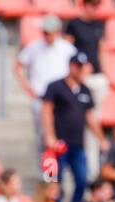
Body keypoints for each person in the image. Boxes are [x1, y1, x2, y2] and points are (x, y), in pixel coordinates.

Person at [41, 53, 100, 202]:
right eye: (78, 66)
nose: (81, 70)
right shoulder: (56, 87)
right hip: (58, 144)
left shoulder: (85, 90)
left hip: (77, 144)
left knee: (82, 180)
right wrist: (50, 135)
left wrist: (101, 138)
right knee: (53, 180)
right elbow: (46, 111)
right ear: (71, 66)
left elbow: (90, 117)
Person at [15, 16, 76, 157]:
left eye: (50, 32)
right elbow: (18, 65)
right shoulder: (34, 46)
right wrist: (26, 86)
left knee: (62, 136)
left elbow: (77, 69)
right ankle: (46, 174)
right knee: (43, 138)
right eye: (45, 32)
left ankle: (59, 170)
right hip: (41, 98)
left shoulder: (66, 49)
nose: (47, 35)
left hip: (61, 100)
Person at [65, 0, 108, 177]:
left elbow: (101, 50)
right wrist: (80, 73)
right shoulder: (74, 24)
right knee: (77, 125)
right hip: (82, 78)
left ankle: (91, 174)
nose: (96, 9)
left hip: (95, 77)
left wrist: (105, 72)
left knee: (92, 124)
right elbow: (68, 50)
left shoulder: (99, 25)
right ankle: (56, 180)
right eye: (93, 4)